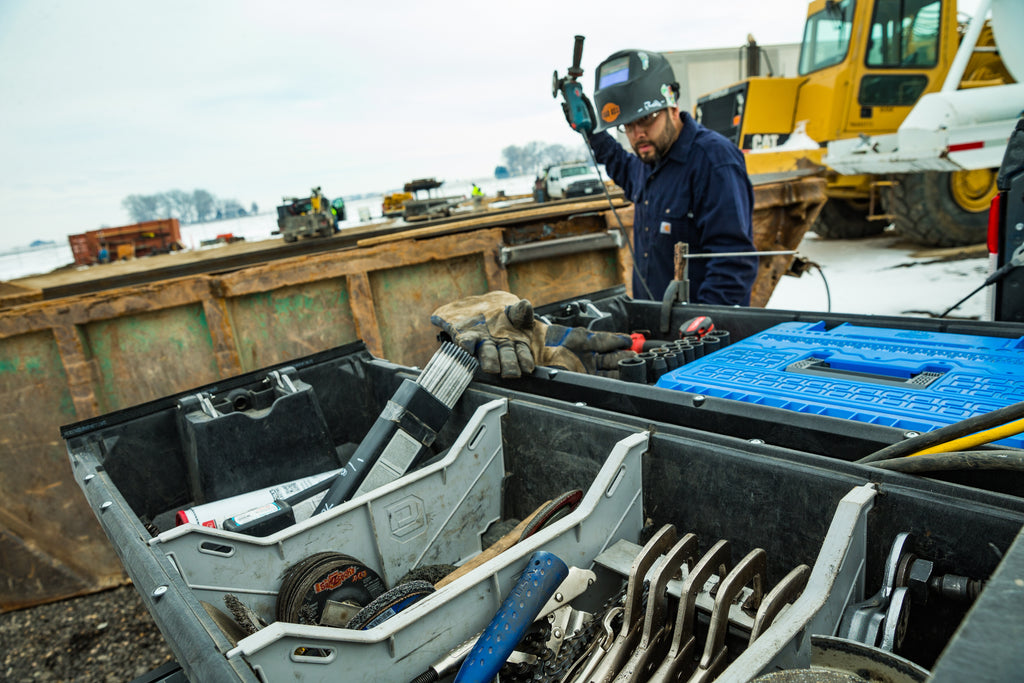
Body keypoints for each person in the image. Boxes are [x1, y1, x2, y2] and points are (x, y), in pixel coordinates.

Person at [579, 49, 759, 306]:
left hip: (696, 335)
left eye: (645, 119)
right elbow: (622, 167)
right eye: (628, 126)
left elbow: (733, 264)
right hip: (656, 326)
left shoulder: (713, 160)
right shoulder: (649, 159)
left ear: (671, 106)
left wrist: (700, 331)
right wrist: (591, 132)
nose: (637, 134)